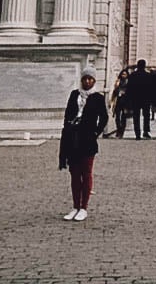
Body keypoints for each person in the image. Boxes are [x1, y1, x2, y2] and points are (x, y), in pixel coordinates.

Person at [58, 65, 109, 222]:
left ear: (94, 80)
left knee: (86, 173)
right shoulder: (74, 94)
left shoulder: (98, 98)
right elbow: (68, 113)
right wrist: (67, 127)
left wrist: (95, 133)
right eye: (85, 78)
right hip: (72, 138)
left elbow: (104, 117)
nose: (87, 81)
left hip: (87, 140)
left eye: (90, 79)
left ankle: (84, 207)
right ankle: (75, 206)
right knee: (74, 174)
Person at [131, 59, 152, 139]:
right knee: (146, 115)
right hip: (146, 98)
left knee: (136, 116)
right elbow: (151, 88)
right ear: (144, 66)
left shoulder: (133, 75)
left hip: (135, 98)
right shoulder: (148, 75)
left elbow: (130, 88)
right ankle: (146, 131)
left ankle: (137, 133)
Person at [109, 69, 131, 138]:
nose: (123, 75)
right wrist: (111, 101)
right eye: (122, 74)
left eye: (125, 74)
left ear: (127, 75)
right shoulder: (118, 81)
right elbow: (114, 91)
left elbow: (130, 92)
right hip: (118, 100)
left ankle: (121, 131)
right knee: (117, 117)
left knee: (123, 117)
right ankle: (119, 129)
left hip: (125, 101)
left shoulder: (128, 82)